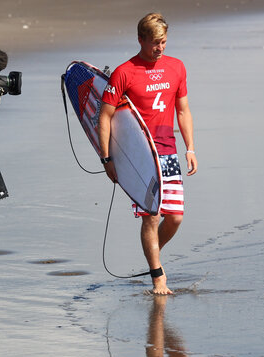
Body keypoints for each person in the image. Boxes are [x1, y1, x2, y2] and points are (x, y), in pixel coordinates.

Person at [98, 13, 197, 295]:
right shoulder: (124, 72)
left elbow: (183, 110)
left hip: (167, 150)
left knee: (175, 216)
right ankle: (157, 276)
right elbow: (104, 116)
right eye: (155, 43)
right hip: (139, 155)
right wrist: (107, 158)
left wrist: (190, 148)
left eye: (164, 42)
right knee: (151, 218)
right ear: (141, 39)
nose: (160, 48)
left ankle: (152, 252)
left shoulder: (176, 67)